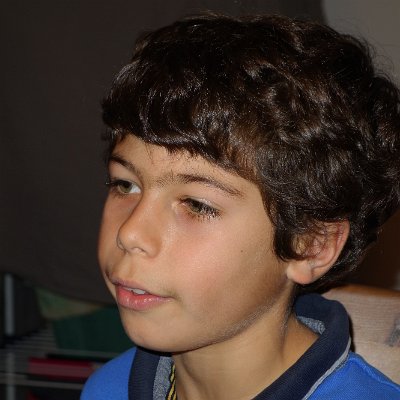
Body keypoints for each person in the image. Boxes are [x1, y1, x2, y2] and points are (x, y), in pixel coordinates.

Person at [81, 13, 400, 399]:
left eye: (196, 205)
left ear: (310, 245)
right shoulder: (106, 388)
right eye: (125, 185)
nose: (130, 233)